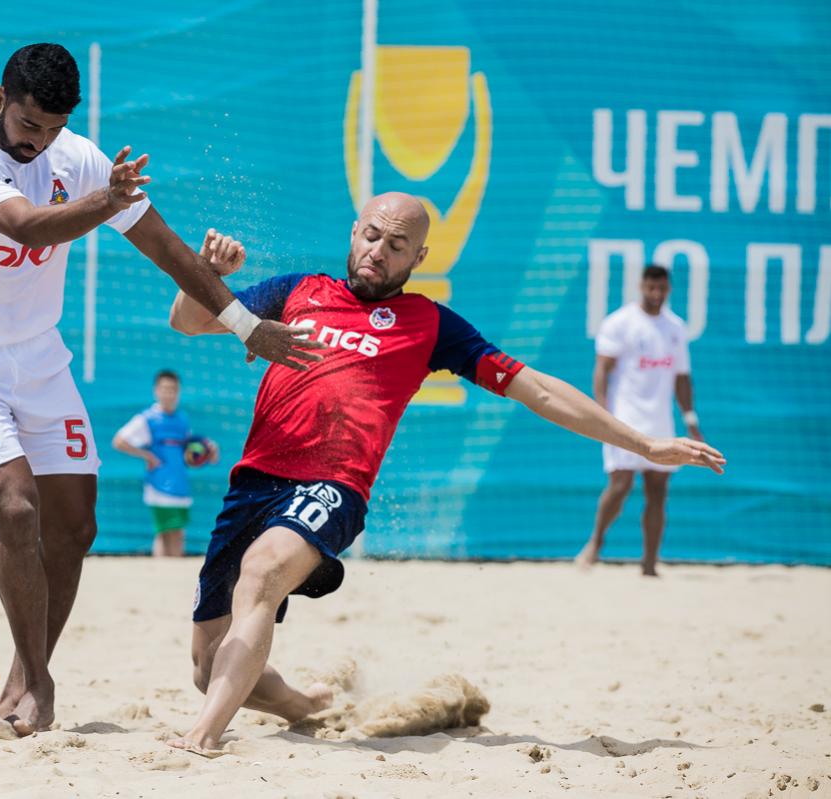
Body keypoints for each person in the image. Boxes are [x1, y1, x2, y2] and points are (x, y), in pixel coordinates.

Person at [164, 193, 725, 756]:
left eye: (397, 245)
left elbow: (539, 390)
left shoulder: (430, 324)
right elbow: (188, 321)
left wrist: (644, 443)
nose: (378, 251)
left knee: (261, 572)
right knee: (206, 666)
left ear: (419, 257)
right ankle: (305, 705)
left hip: (332, 486)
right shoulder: (298, 290)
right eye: (372, 236)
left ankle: (203, 737)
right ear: (354, 232)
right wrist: (207, 275)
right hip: (253, 482)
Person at [0, 43, 320, 738]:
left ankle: (21, 682)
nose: (40, 141)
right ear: (0, 96)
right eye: (29, 124)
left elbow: (167, 249)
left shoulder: (81, 160)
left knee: (75, 526)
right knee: (15, 503)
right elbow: (29, 228)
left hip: (38, 357)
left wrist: (246, 324)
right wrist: (104, 201)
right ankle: (39, 686)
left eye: (55, 128)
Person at [575, 265, 702, 576]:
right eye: (651, 288)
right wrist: (602, 413)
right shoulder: (620, 322)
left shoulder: (675, 327)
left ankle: (649, 564)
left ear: (669, 289)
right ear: (641, 286)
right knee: (620, 483)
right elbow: (602, 369)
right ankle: (596, 543)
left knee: (658, 490)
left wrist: (690, 419)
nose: (656, 294)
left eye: (662, 288)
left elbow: (682, 378)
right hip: (625, 418)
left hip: (659, 421)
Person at [113, 369, 219, 557]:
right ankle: (161, 571)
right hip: (159, 485)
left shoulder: (181, 419)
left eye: (173, 389)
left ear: (178, 392)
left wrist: (208, 451)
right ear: (156, 391)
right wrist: (148, 456)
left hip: (180, 485)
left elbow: (189, 452)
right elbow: (119, 441)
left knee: (178, 533)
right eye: (165, 389)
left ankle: (170, 573)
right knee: (165, 533)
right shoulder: (148, 419)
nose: (169, 394)